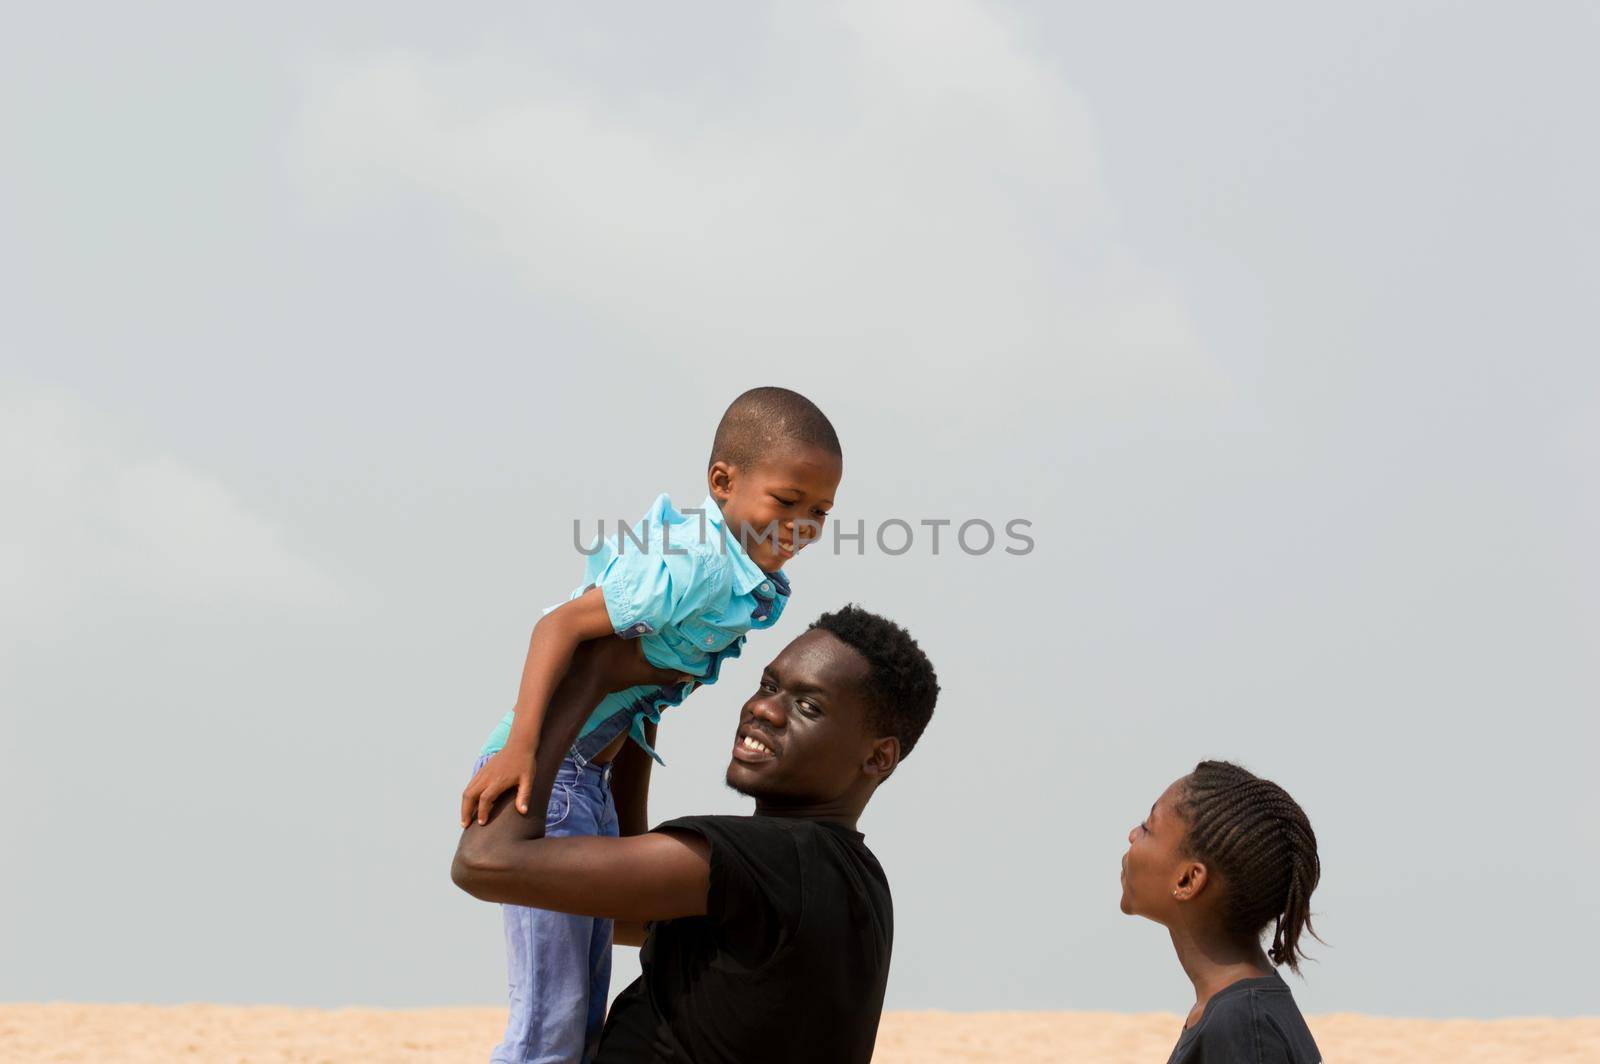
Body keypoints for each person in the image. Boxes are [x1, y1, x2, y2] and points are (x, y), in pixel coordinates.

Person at [459, 387, 844, 1063]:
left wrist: (628, 828)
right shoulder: (694, 564)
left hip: (592, 781)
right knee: (550, 1021)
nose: (801, 526)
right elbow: (561, 624)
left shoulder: (742, 581)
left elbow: (646, 702)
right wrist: (521, 747)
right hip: (552, 773)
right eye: (786, 502)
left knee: (582, 1016)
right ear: (722, 482)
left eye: (819, 512)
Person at [453, 605, 940, 1064]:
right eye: (768, 685)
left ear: (878, 758)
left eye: (808, 706)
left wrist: (591, 680)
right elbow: (627, 914)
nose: (765, 710)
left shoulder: (768, 858)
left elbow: (486, 863)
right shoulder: (849, 876)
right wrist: (639, 708)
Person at [1120, 760, 1324, 1063]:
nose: (1133, 834)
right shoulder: (1234, 1012)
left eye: (1148, 828)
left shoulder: (1243, 1025)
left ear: (1188, 879)